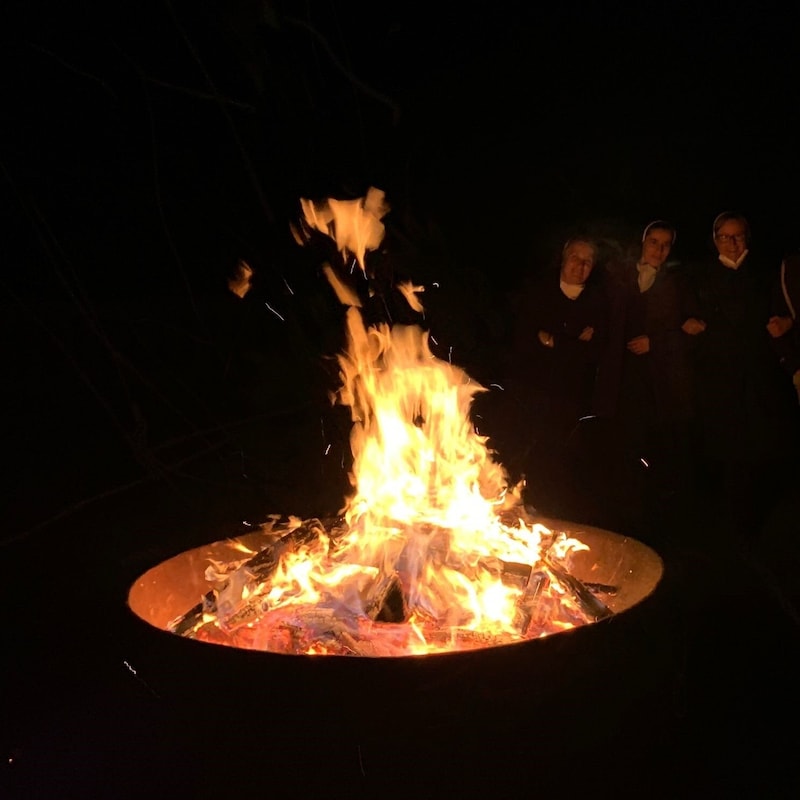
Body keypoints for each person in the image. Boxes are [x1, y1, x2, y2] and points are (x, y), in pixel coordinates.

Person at [690, 212, 799, 537]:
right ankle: (731, 522)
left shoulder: (766, 272)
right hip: (720, 378)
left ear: (746, 238)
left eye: (737, 236)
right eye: (725, 237)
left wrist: (788, 325)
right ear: (715, 240)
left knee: (763, 445)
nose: (732, 243)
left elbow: (787, 310)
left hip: (761, 375)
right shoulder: (702, 276)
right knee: (727, 448)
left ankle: (761, 516)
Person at [502, 237, 611, 515]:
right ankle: (507, 507)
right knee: (517, 451)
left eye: (588, 261)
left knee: (554, 460)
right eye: (576, 258)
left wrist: (555, 341)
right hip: (529, 391)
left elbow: (593, 352)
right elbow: (525, 340)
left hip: (567, 398)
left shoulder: (597, 303)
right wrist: (574, 341)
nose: (581, 265)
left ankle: (547, 516)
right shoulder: (538, 294)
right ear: (564, 259)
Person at [616, 220, 705, 506]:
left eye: (666, 244)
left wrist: (657, 342)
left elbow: (694, 332)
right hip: (624, 379)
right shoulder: (620, 276)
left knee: (666, 448)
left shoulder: (680, 282)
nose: (659, 248)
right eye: (654, 241)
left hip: (664, 382)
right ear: (643, 242)